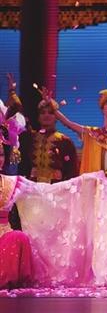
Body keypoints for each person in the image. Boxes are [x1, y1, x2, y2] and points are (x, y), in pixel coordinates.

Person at [50, 89, 107, 184]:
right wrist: (52, 107)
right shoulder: (94, 133)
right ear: (103, 109)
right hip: (98, 187)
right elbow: (68, 123)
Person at [0, 110, 33, 289]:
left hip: (4, 237)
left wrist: (83, 182)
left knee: (18, 237)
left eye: (1, 154)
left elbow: (45, 192)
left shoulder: (13, 182)